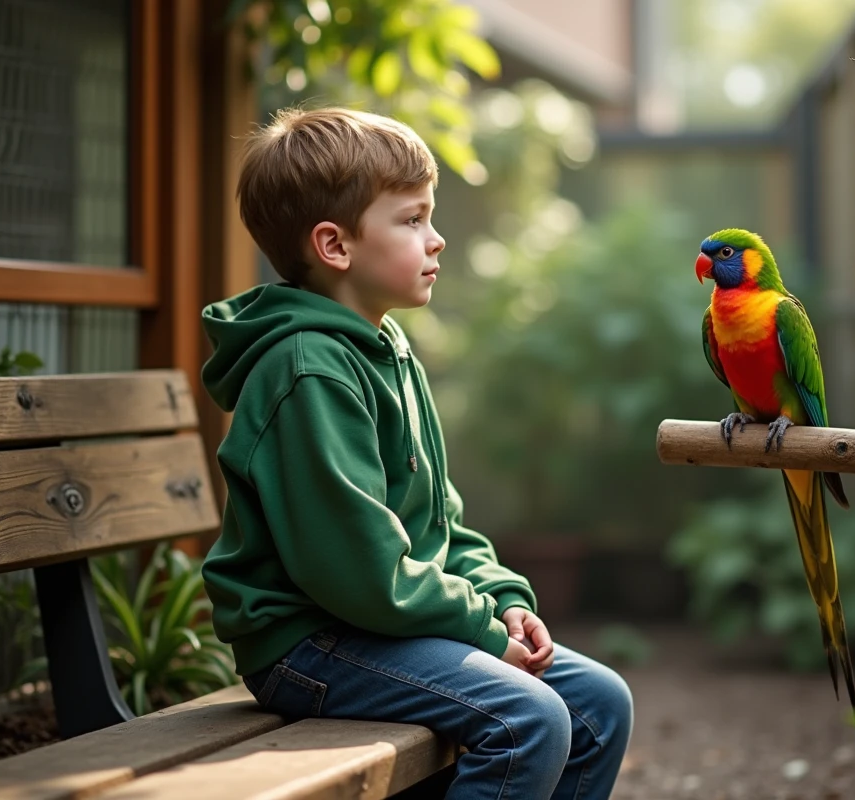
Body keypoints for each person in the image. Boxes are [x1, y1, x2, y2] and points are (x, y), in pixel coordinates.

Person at [198, 107, 633, 799]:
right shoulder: (308, 371)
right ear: (335, 245)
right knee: (530, 718)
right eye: (412, 220)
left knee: (600, 704)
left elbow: (439, 525)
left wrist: (502, 598)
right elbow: (358, 572)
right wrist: (484, 635)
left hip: (375, 624)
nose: (437, 240)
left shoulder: (388, 352)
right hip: (310, 643)